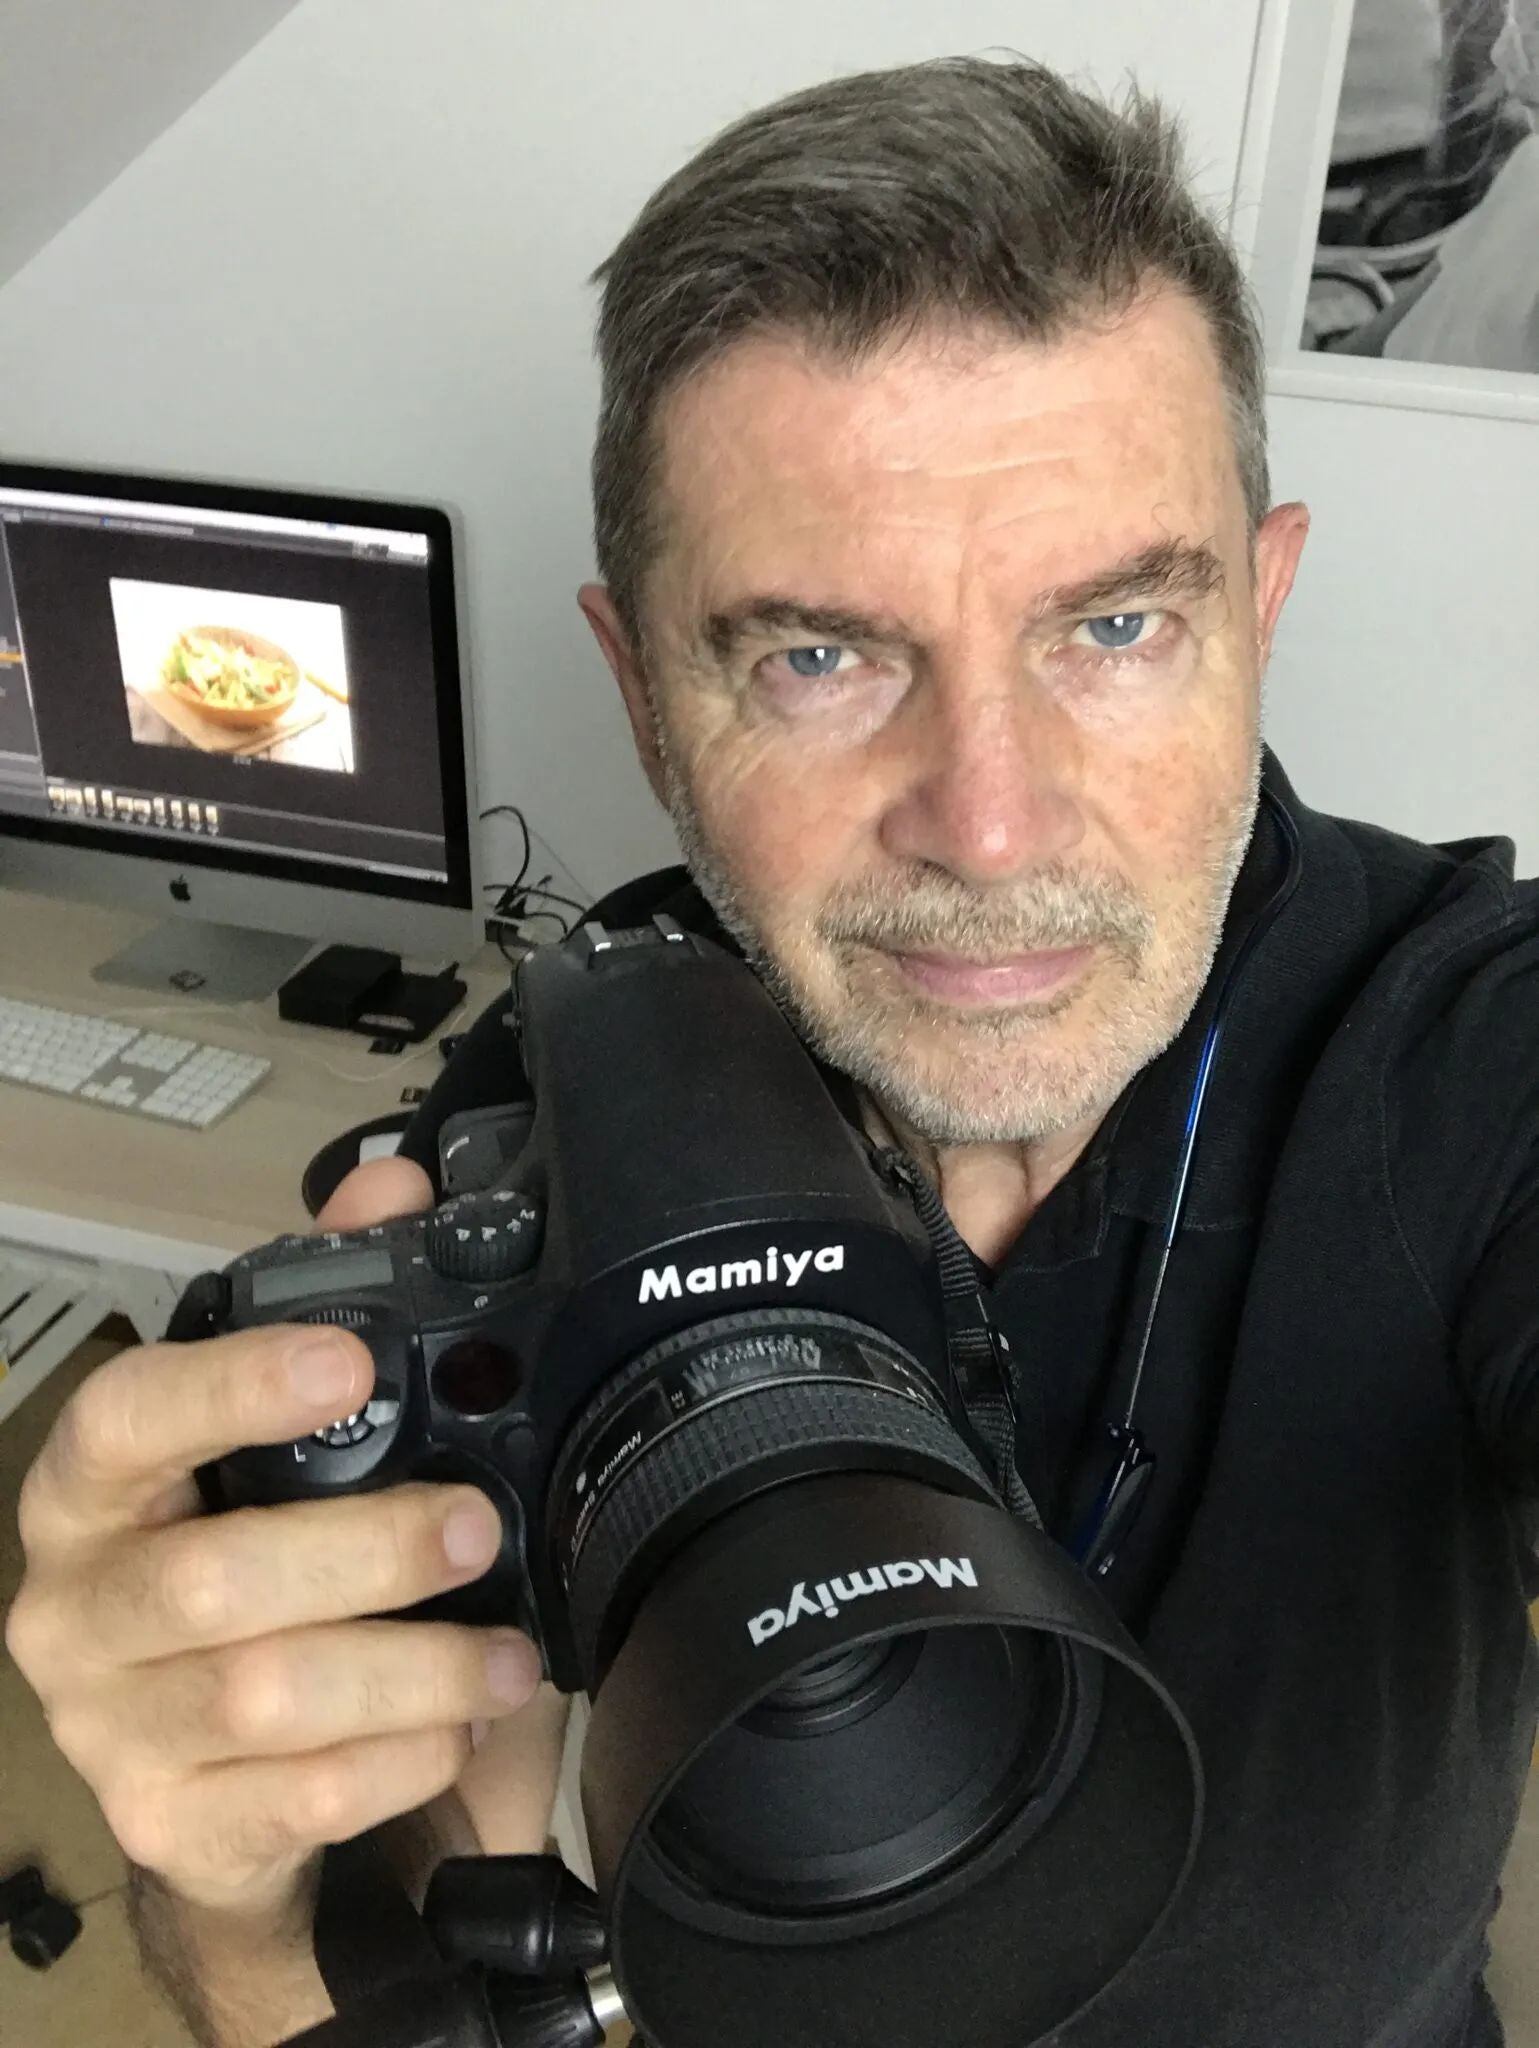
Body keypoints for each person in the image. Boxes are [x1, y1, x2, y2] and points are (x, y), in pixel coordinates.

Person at [7, 51, 1538, 2048]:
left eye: (1113, 631)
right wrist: (239, 1884)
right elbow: (350, 1986)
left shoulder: (1460, 1044)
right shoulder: (542, 1128)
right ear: (645, 697)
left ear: (1258, 612)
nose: (990, 825)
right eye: (818, 658)